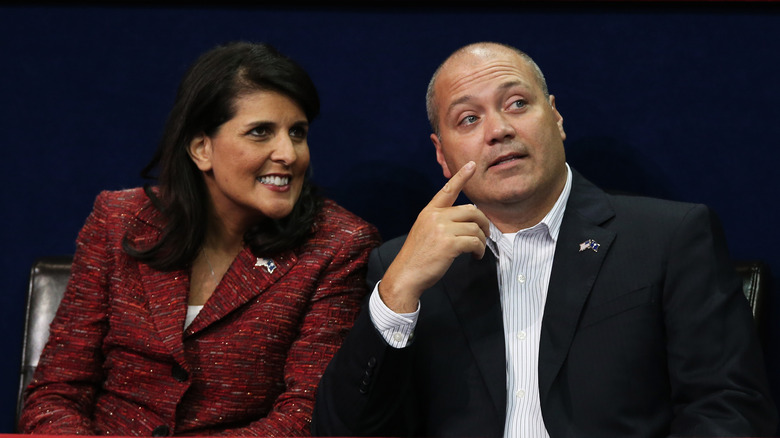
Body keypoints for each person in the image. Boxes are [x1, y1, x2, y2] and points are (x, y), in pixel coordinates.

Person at [312, 42, 777, 437]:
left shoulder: (669, 237)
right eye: (469, 119)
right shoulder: (403, 266)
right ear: (442, 155)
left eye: (517, 104)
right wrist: (396, 295)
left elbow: (730, 410)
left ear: (555, 118)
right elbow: (345, 430)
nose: (499, 130)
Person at [19, 41, 381, 436]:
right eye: (261, 132)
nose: (289, 154)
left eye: (297, 133)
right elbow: (56, 392)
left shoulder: (337, 244)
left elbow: (304, 416)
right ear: (201, 148)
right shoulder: (119, 219)